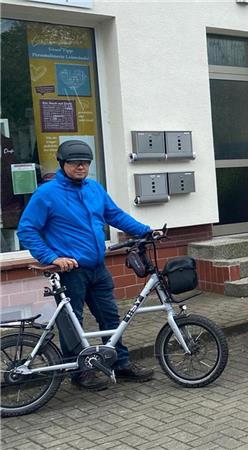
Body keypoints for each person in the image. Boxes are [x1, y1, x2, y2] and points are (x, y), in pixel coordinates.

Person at [17, 140, 156, 391]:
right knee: (73, 323)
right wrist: (51, 257)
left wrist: (146, 231)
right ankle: (81, 372)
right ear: (63, 164)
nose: (81, 166)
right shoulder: (47, 194)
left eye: (85, 162)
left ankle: (119, 363)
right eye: (74, 162)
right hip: (70, 271)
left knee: (110, 317)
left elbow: (114, 215)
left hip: (97, 268)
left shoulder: (94, 188)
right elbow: (27, 230)